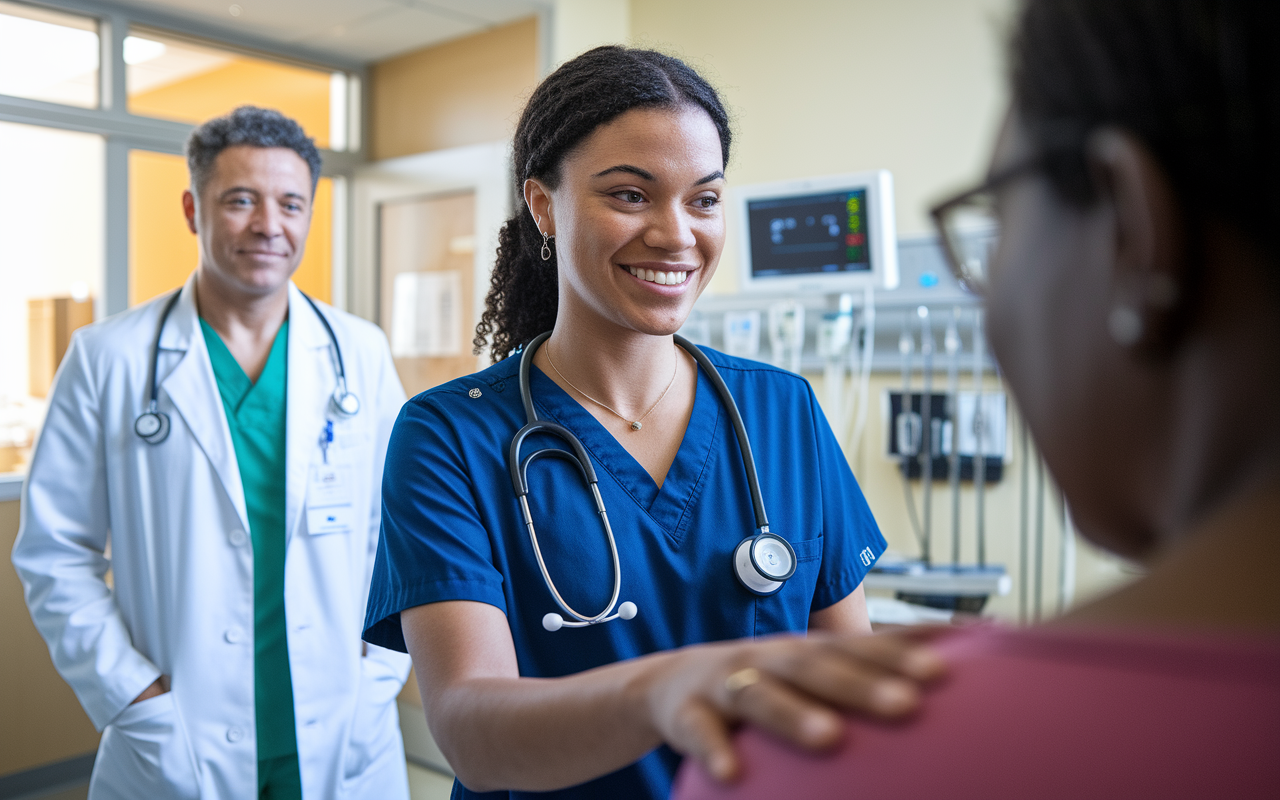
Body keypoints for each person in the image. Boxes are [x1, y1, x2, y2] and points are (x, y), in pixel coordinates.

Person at [672, 0, 1280, 797]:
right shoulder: (459, 427)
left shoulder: (818, 756)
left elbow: (845, 640)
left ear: (1134, 228)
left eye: (997, 217)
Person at [360, 46, 944, 800]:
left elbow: (846, 694)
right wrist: (666, 693)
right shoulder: (449, 437)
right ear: (543, 204)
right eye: (631, 196)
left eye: (703, 199)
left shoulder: (781, 411)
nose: (676, 234)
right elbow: (474, 734)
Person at [12, 106, 412, 800]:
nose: (269, 225)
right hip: (176, 732)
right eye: (240, 201)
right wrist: (132, 695)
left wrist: (379, 670)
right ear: (194, 209)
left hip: (342, 723)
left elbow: (401, 532)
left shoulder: (360, 351)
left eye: (290, 203)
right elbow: (55, 553)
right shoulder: (109, 358)